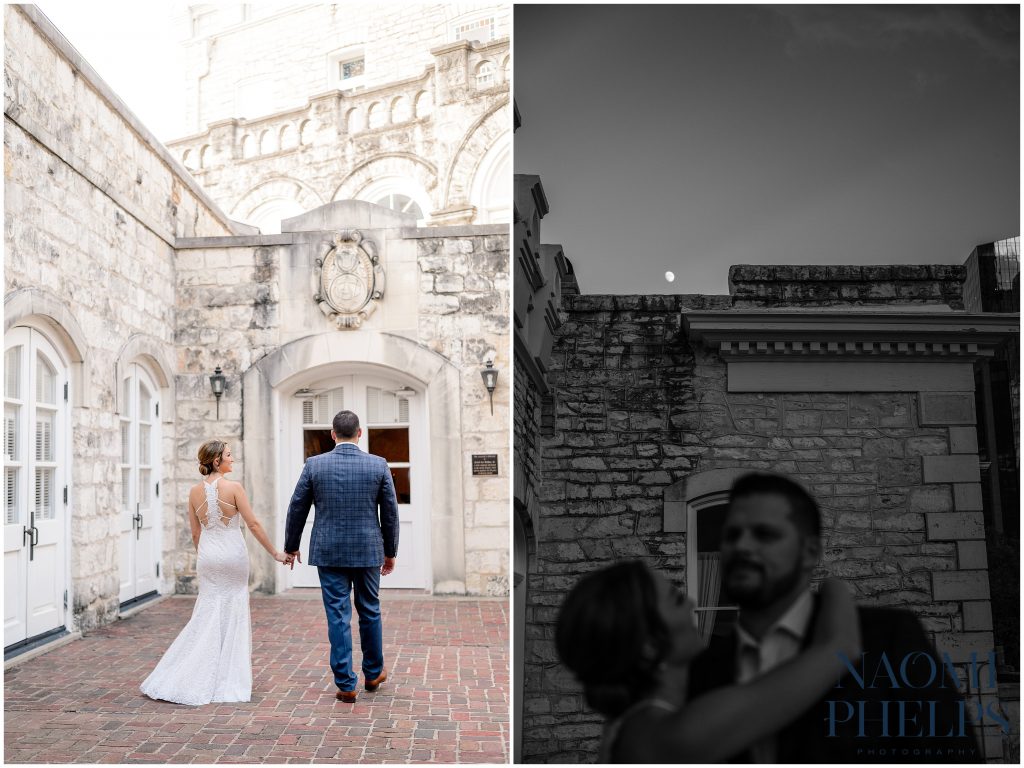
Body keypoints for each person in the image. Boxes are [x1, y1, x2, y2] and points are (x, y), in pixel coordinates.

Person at [687, 472, 982, 762]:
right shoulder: (702, 670)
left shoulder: (886, 640)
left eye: (764, 534)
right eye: (731, 535)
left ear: (810, 552)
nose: (742, 546)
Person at [556, 560, 862, 763]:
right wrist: (833, 584)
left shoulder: (637, 727)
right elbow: (839, 647)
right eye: (676, 600)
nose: (691, 603)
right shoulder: (670, 736)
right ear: (650, 646)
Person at [140, 439, 290, 705]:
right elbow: (253, 524)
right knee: (234, 608)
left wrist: (206, 558)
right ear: (216, 461)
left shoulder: (194, 492)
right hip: (233, 554)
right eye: (229, 455)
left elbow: (196, 533)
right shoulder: (234, 488)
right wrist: (275, 553)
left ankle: (189, 669)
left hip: (208, 556)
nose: (233, 459)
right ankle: (227, 676)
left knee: (207, 611)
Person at [284, 410, 400, 703]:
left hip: (329, 550)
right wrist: (390, 551)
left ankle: (346, 683)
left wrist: (292, 545)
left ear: (333, 435)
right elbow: (390, 513)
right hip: (367, 550)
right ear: (359, 433)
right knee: (370, 610)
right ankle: (373, 673)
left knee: (338, 615)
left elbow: (297, 506)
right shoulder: (378, 465)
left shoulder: (315, 465)